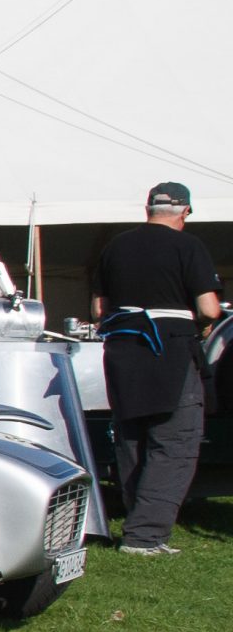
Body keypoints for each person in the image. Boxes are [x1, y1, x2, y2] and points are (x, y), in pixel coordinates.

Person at [94, 181, 222, 555]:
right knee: (175, 442)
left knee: (132, 438)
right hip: (170, 349)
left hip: (122, 348)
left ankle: (138, 523)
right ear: (184, 212)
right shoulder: (189, 246)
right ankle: (146, 536)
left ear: (148, 209)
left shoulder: (114, 246)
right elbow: (210, 308)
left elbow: (98, 311)